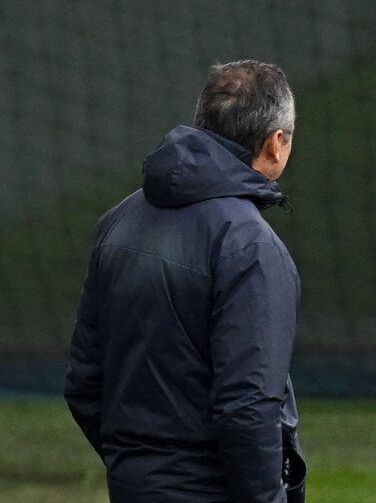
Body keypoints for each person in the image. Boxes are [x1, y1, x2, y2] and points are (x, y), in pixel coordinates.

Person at [65, 60, 306, 502]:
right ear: (275, 143)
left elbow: (84, 381)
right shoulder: (250, 245)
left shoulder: (117, 221)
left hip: (133, 485)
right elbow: (248, 410)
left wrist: (140, 468)